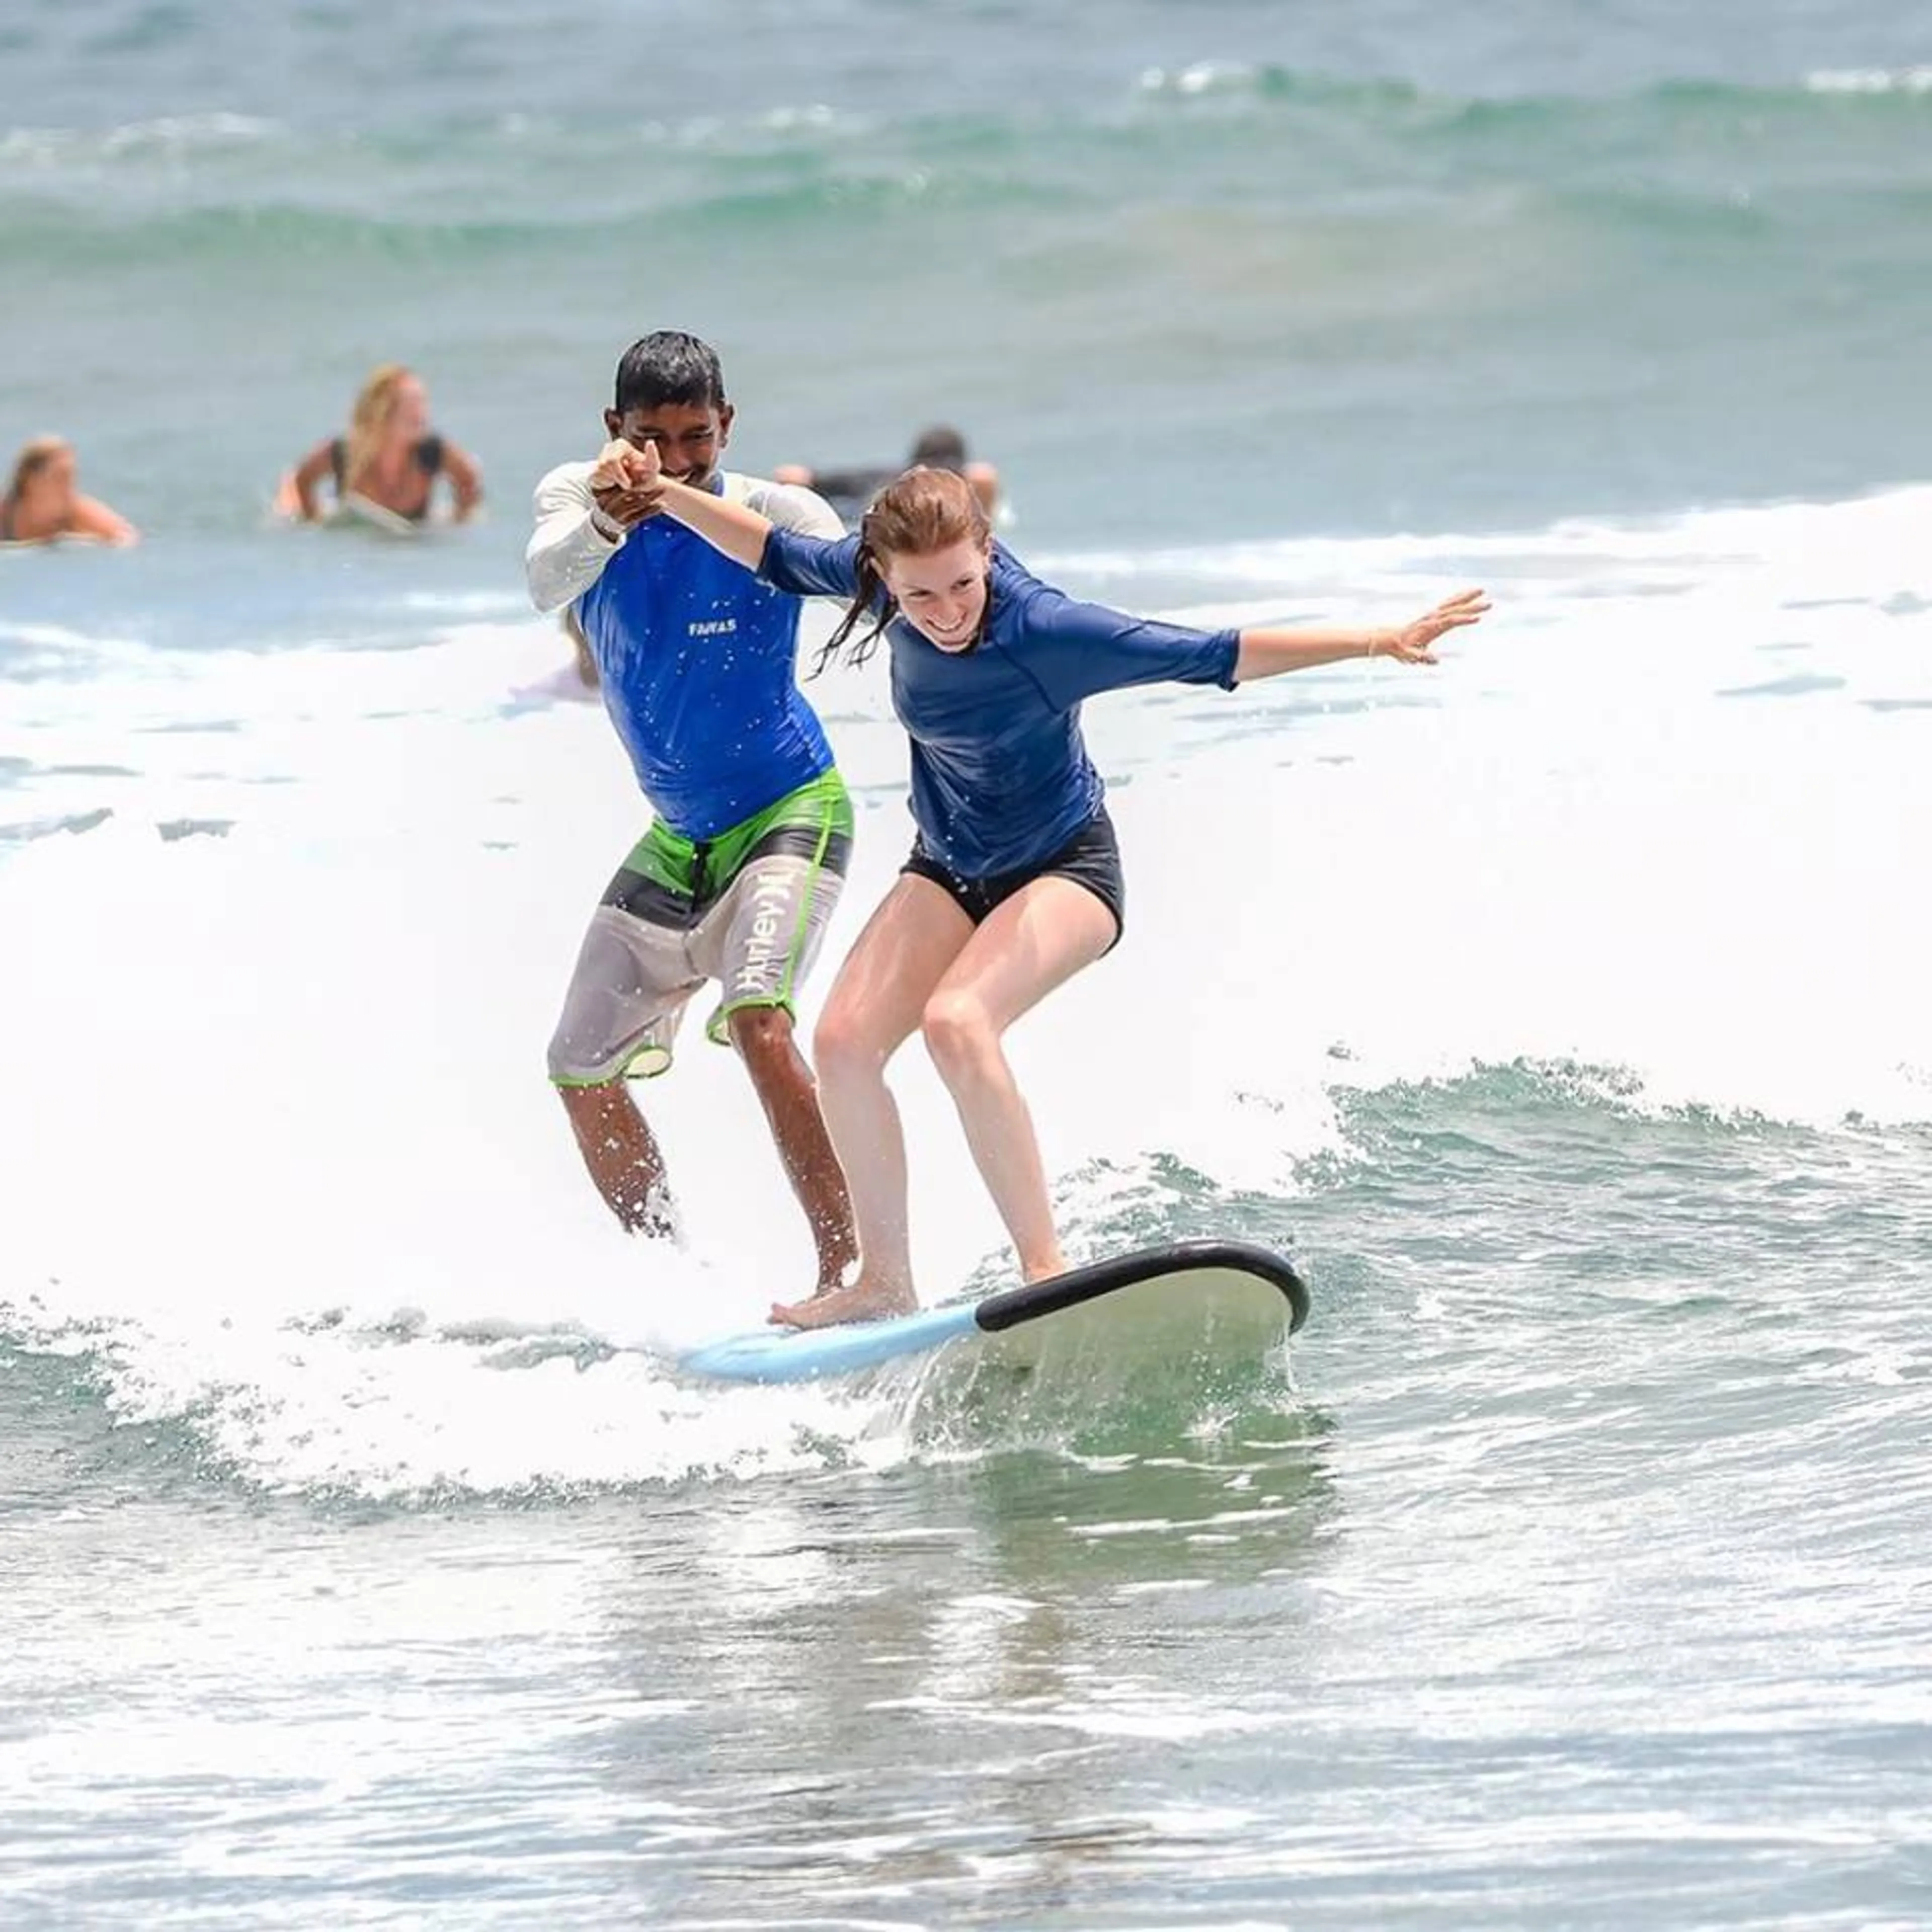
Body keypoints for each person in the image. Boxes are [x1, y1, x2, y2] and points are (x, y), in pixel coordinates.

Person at [623, 448, 1489, 1328]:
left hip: (1066, 867)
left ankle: (1046, 1273)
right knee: (845, 1042)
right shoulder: (880, 580)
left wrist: (1378, 639)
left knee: (957, 1022)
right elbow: (769, 549)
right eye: (919, 597)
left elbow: (1215, 654)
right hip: (951, 864)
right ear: (884, 578)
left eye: (962, 585)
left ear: (988, 554)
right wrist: (664, 495)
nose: (946, 612)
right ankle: (883, 1282)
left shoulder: (1049, 632)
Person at [524, 330, 859, 1296]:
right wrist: (609, 519)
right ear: (612, 430)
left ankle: (847, 1272)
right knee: (578, 1065)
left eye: (696, 439)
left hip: (793, 809)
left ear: (729, 426)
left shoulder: (774, 509)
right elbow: (545, 581)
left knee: (759, 1018)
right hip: (682, 843)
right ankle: (675, 1276)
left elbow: (851, 576)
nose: (673, 460)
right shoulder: (573, 500)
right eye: (651, 439)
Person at [277, 364, 482, 525]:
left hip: (410, 527)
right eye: (412, 406)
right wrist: (314, 520)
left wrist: (459, 519)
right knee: (285, 513)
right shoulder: (345, 451)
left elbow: (469, 478)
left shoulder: (432, 451)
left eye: (423, 402)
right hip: (354, 529)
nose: (423, 414)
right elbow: (304, 479)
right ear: (383, 413)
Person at [776, 424, 1000, 521]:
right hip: (882, 516)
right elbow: (984, 476)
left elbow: (790, 475)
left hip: (861, 511)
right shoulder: (951, 483)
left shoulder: (885, 475)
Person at [1, 436, 138, 546]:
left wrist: (82, 542)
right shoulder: (6, 513)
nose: (69, 487)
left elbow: (126, 537)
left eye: (72, 477)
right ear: (30, 481)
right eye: (60, 477)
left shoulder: (77, 512)